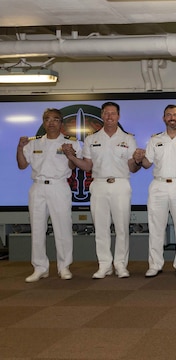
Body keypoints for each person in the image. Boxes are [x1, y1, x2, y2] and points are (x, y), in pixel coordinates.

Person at [67, 102, 141, 279]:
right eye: (106, 113)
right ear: (102, 115)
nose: (109, 117)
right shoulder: (92, 139)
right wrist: (71, 157)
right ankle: (104, 265)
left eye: (113, 113)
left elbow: (132, 167)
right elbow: (87, 166)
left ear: (118, 116)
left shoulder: (128, 139)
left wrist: (137, 160)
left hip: (121, 184)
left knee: (122, 227)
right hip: (99, 184)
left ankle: (121, 265)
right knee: (100, 228)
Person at [16, 108, 82, 282]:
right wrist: (20, 147)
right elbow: (22, 165)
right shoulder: (33, 143)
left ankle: (64, 266)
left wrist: (70, 153)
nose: (51, 122)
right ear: (43, 122)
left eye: (55, 119)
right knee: (37, 229)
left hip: (59, 187)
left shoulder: (71, 143)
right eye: (47, 119)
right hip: (38, 188)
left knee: (63, 228)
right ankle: (40, 268)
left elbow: (73, 166)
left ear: (61, 123)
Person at [135, 105, 176, 278]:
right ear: (164, 118)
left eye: (175, 115)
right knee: (156, 227)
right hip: (158, 185)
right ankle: (155, 264)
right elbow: (147, 164)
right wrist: (139, 159)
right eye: (169, 115)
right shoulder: (155, 139)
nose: (172, 117)